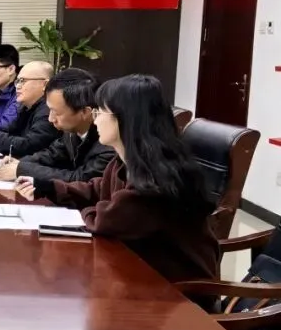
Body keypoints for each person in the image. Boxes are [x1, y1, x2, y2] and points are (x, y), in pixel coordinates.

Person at [16, 74, 218, 283]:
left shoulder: (154, 178)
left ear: (126, 119)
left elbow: (105, 220)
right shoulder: (125, 161)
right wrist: (49, 187)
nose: (95, 120)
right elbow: (95, 190)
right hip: (138, 272)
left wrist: (89, 210)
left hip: (175, 289)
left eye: (100, 112)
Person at [0, 68, 114, 183]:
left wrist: (22, 169)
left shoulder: (109, 143)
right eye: (50, 110)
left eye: (57, 112)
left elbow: (80, 179)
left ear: (85, 112)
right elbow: (52, 155)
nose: (50, 119)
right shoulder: (72, 131)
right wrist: (20, 163)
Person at [0, 61, 58, 157]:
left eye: (23, 81)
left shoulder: (49, 110)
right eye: (17, 81)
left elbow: (30, 145)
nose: (17, 86)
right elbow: (12, 132)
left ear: (45, 84)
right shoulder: (26, 107)